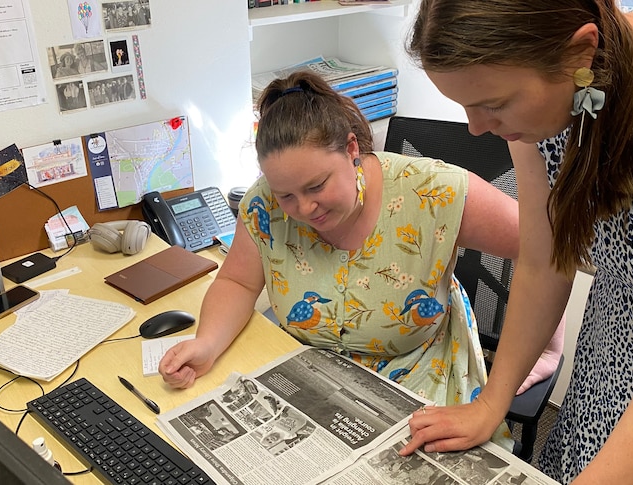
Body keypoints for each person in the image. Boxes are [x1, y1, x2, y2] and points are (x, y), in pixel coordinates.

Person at [400, 1, 633, 483]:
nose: (476, 127)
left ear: (581, 50)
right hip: (612, 347)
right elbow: (543, 260)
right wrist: (491, 403)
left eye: (493, 103)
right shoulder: (568, 86)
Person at [158, 70, 563, 450]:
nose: (303, 208)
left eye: (317, 185)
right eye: (286, 194)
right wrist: (207, 343)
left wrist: (549, 348)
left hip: (419, 392)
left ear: (352, 149)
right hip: (309, 383)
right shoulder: (264, 205)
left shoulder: (433, 192)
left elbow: (550, 250)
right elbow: (238, 283)